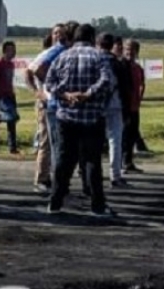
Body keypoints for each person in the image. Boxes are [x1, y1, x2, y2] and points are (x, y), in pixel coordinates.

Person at [45, 23, 116, 218]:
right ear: (92, 38)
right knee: (92, 161)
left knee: (63, 160)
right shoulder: (98, 56)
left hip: (66, 117)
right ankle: (97, 205)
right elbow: (107, 81)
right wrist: (88, 94)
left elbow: (49, 82)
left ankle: (55, 202)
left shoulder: (63, 56)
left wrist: (66, 95)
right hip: (92, 117)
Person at [25, 24, 68, 194]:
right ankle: (41, 178)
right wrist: (38, 92)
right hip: (46, 103)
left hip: (59, 103)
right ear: (51, 36)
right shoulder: (47, 54)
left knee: (58, 142)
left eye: (62, 34)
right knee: (45, 141)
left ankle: (55, 177)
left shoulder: (64, 52)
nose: (59, 36)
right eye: (56, 33)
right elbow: (30, 71)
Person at [100, 33, 132, 188]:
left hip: (96, 106)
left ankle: (91, 173)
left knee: (95, 141)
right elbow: (126, 89)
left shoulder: (94, 59)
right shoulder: (118, 64)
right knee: (115, 141)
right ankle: (115, 174)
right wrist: (127, 111)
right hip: (115, 105)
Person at [0, 41, 19, 154]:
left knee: (12, 120)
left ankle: (12, 147)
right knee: (2, 119)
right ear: (5, 51)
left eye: (14, 50)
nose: (14, 52)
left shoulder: (11, 64)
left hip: (10, 95)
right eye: (11, 50)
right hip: (1, 97)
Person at [122, 39, 145, 174]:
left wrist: (139, 98)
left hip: (135, 107)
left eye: (132, 49)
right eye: (127, 49)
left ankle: (129, 161)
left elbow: (142, 84)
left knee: (132, 136)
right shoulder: (121, 67)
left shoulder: (138, 68)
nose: (129, 52)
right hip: (124, 108)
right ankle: (121, 162)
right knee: (123, 136)